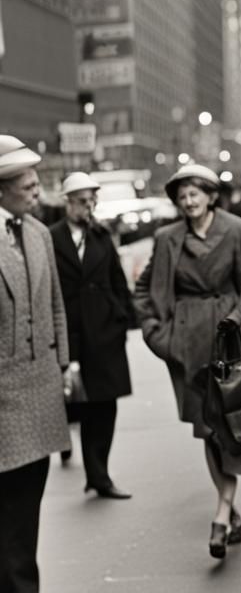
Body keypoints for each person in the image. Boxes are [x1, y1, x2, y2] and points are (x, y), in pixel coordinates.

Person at [134, 164, 241, 559]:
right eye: (181, 196)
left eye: (194, 194)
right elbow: (144, 288)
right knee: (208, 429)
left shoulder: (237, 230)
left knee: (231, 427)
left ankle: (222, 514)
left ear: (210, 194)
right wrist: (158, 334)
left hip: (230, 340)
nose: (188, 202)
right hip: (186, 347)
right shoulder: (167, 238)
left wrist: (237, 319)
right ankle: (228, 508)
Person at [0, 135, 70, 593]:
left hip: (41, 379)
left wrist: (64, 362)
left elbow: (55, 305)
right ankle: (12, 588)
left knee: (30, 487)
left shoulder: (40, 233)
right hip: (2, 385)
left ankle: (22, 588)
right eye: (26, 183)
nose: (35, 189)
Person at [49, 172, 134, 499]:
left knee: (104, 405)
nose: (89, 207)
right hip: (69, 329)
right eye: (82, 201)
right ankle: (71, 448)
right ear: (67, 203)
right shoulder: (51, 237)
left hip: (103, 331)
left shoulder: (101, 235)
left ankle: (99, 475)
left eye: (92, 200)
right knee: (74, 401)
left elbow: (116, 278)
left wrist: (121, 317)